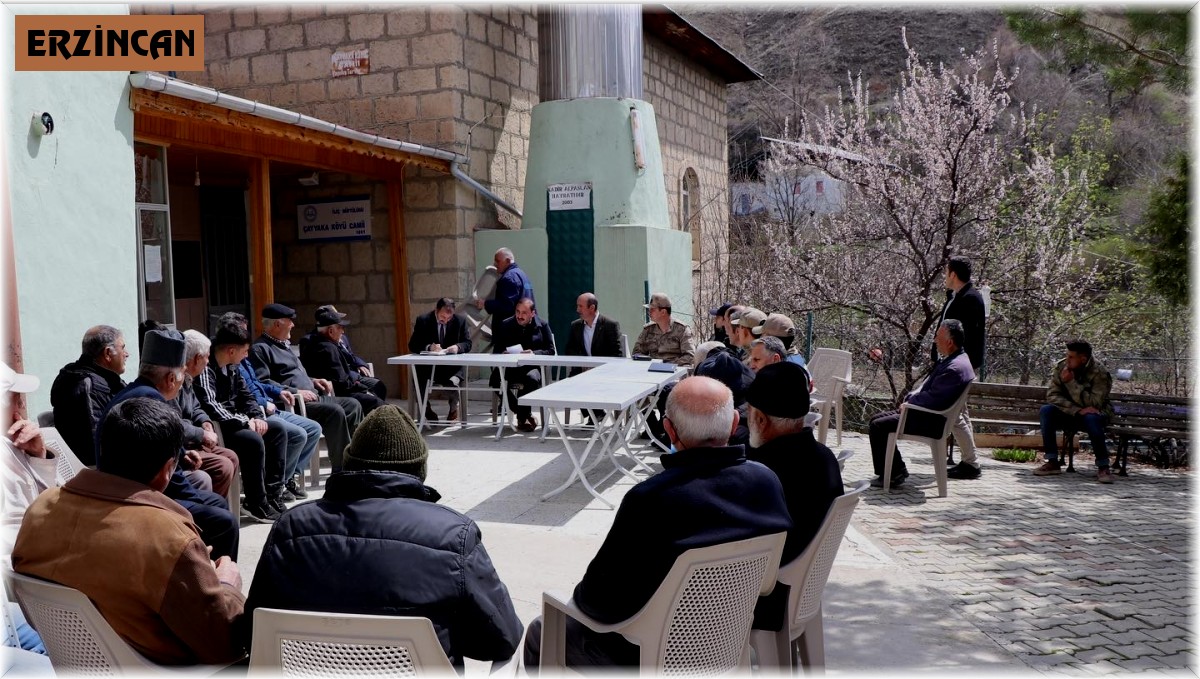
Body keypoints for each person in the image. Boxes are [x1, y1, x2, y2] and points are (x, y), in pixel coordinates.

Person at [522, 376, 791, 670]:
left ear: (669, 430)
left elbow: (597, 603)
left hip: (648, 657)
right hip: (727, 641)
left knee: (542, 630)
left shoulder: (651, 499)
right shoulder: (766, 481)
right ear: (733, 422)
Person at [242, 405, 523, 667]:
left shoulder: (290, 527)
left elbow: (252, 631)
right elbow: (501, 641)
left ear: (350, 463)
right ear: (419, 471)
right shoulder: (455, 535)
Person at [12, 397, 246, 665]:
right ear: (167, 470)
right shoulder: (169, 538)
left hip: (70, 658)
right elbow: (225, 644)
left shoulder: (41, 507)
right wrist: (227, 585)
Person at [100, 328, 241, 561]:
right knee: (223, 521)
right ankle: (215, 584)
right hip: (137, 497)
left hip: (134, 486)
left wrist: (183, 453)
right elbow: (168, 477)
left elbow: (157, 450)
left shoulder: (135, 390)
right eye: (182, 376)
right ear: (170, 379)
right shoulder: (151, 401)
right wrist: (194, 503)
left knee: (215, 502)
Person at [743, 361, 843, 631]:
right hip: (802, 589)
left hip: (762, 600)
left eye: (748, 414)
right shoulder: (825, 457)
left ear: (760, 419)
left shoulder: (761, 473)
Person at [217, 313, 321, 501]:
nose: (246, 339)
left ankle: (287, 479)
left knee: (313, 428)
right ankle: (274, 487)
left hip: (265, 407)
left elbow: (257, 384)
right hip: (256, 413)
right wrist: (261, 407)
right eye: (242, 332)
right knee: (294, 433)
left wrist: (278, 391)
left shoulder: (242, 358)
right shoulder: (229, 363)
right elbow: (242, 396)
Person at [250, 302, 362, 471]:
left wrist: (314, 380)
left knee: (353, 405)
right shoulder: (260, 349)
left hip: (314, 396)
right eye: (290, 321)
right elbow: (262, 382)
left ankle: (357, 458)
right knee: (335, 413)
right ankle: (342, 469)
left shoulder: (283, 344)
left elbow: (294, 373)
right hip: (294, 403)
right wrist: (296, 392)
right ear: (277, 324)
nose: (293, 325)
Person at [198, 322, 289, 522]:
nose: (247, 356)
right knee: (252, 441)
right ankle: (255, 502)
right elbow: (212, 405)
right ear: (231, 351)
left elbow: (247, 396)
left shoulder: (234, 367)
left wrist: (257, 416)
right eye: (245, 351)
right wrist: (245, 421)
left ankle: (272, 495)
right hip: (221, 427)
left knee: (278, 430)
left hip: (239, 420)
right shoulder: (207, 367)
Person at [868, 319, 974, 488]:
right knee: (875, 419)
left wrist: (910, 402)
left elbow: (934, 399)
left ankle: (894, 473)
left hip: (930, 420)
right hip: (925, 414)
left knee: (879, 426)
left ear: (949, 342)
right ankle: (896, 470)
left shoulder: (954, 368)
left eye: (938, 336)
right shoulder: (958, 359)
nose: (934, 340)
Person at [139, 321, 239, 497]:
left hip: (189, 442)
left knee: (231, 456)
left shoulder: (186, 380)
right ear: (197, 358)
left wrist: (205, 422)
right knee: (221, 467)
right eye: (207, 357)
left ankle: (217, 506)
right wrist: (201, 434)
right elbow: (173, 423)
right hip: (181, 445)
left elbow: (196, 407)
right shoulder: (166, 384)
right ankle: (210, 507)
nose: (208, 363)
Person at [0, 363, 54, 656]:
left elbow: (51, 500)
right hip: (27, 577)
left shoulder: (16, 443)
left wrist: (40, 456)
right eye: (17, 398)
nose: (24, 405)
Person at [1034, 339, 1115, 484]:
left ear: (1083, 359)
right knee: (1046, 410)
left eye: (1071, 357)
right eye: (1067, 355)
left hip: (1097, 415)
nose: (1067, 359)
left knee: (1091, 417)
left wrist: (1071, 383)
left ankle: (1103, 467)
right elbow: (1052, 396)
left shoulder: (1100, 372)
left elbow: (1094, 404)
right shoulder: (1061, 367)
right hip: (1072, 413)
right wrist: (1076, 410)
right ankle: (1052, 461)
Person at [935, 256, 987, 481]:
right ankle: (970, 460)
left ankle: (971, 463)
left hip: (958, 366)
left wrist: (960, 364)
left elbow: (971, 338)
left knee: (953, 414)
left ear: (953, 274)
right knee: (960, 412)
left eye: (946, 272)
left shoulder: (971, 299)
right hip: (951, 363)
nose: (944, 277)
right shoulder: (956, 297)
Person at [50, 325, 129, 466]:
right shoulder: (89, 386)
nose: (127, 354)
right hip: (96, 472)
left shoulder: (104, 379)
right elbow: (96, 444)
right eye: (122, 348)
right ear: (108, 353)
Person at [299, 306, 387, 415]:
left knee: (378, 390)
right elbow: (342, 383)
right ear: (331, 331)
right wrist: (364, 389)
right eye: (340, 327)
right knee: (380, 406)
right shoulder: (327, 348)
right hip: (341, 394)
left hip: (348, 385)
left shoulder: (327, 344)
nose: (343, 331)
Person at [490, 298, 555, 432]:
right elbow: (496, 350)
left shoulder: (542, 325)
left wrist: (534, 353)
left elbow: (551, 350)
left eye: (524, 313)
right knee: (495, 379)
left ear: (533, 313)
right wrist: (503, 352)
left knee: (531, 379)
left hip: (533, 367)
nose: (519, 316)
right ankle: (521, 412)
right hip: (511, 367)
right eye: (517, 312)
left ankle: (522, 417)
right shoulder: (506, 324)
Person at [407, 297, 472, 422]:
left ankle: (454, 408)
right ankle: (425, 408)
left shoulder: (460, 321)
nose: (446, 321)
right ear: (436, 311)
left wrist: (458, 347)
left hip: (451, 367)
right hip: (429, 367)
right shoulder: (423, 320)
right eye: (443, 317)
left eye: (449, 318)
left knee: (454, 380)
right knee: (417, 376)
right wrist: (429, 347)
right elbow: (413, 344)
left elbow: (467, 343)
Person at [565, 292, 622, 424]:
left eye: (580, 306)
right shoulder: (576, 326)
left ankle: (595, 414)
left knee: (590, 381)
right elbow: (569, 350)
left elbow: (616, 354)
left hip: (605, 370)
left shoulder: (609, 325)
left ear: (592, 308)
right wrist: (583, 362)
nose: (577, 310)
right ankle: (596, 413)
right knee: (572, 382)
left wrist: (596, 366)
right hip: (582, 369)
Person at [632, 292, 695, 366]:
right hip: (652, 370)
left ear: (663, 312)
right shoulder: (648, 330)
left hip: (675, 370)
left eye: (652, 309)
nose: (649, 312)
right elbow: (637, 353)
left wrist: (667, 365)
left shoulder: (682, 329)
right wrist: (650, 363)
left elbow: (690, 356)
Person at [475, 247, 535, 324]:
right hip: (525, 328)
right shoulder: (522, 275)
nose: (495, 264)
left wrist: (485, 304)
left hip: (511, 332)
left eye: (497, 261)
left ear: (508, 261)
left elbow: (507, 306)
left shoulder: (509, 278)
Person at [315, 304, 372, 375]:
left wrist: (360, 364)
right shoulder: (318, 339)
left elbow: (351, 356)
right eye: (335, 316)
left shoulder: (342, 337)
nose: (342, 331)